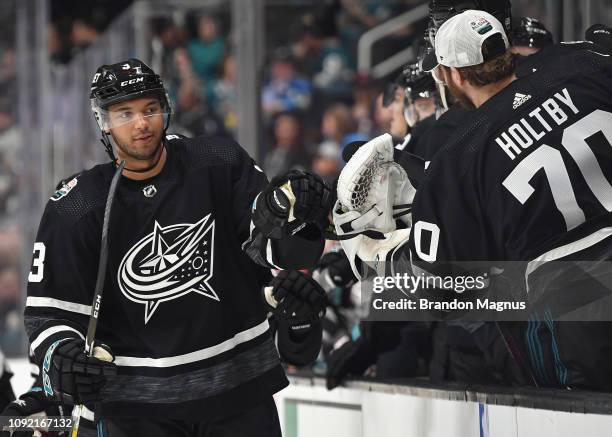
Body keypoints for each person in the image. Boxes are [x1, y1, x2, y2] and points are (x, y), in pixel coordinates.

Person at [23, 58, 331, 436]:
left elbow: (271, 245)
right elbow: (49, 314)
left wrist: (292, 215)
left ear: (165, 108)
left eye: (150, 109)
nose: (141, 124)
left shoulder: (218, 162)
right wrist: (64, 356)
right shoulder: (76, 204)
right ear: (103, 121)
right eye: (125, 113)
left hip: (237, 393)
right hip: (137, 409)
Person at [414, 10, 612, 390]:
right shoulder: (582, 70)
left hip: (576, 306)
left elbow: (437, 292)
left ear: (454, 74)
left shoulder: (457, 158)